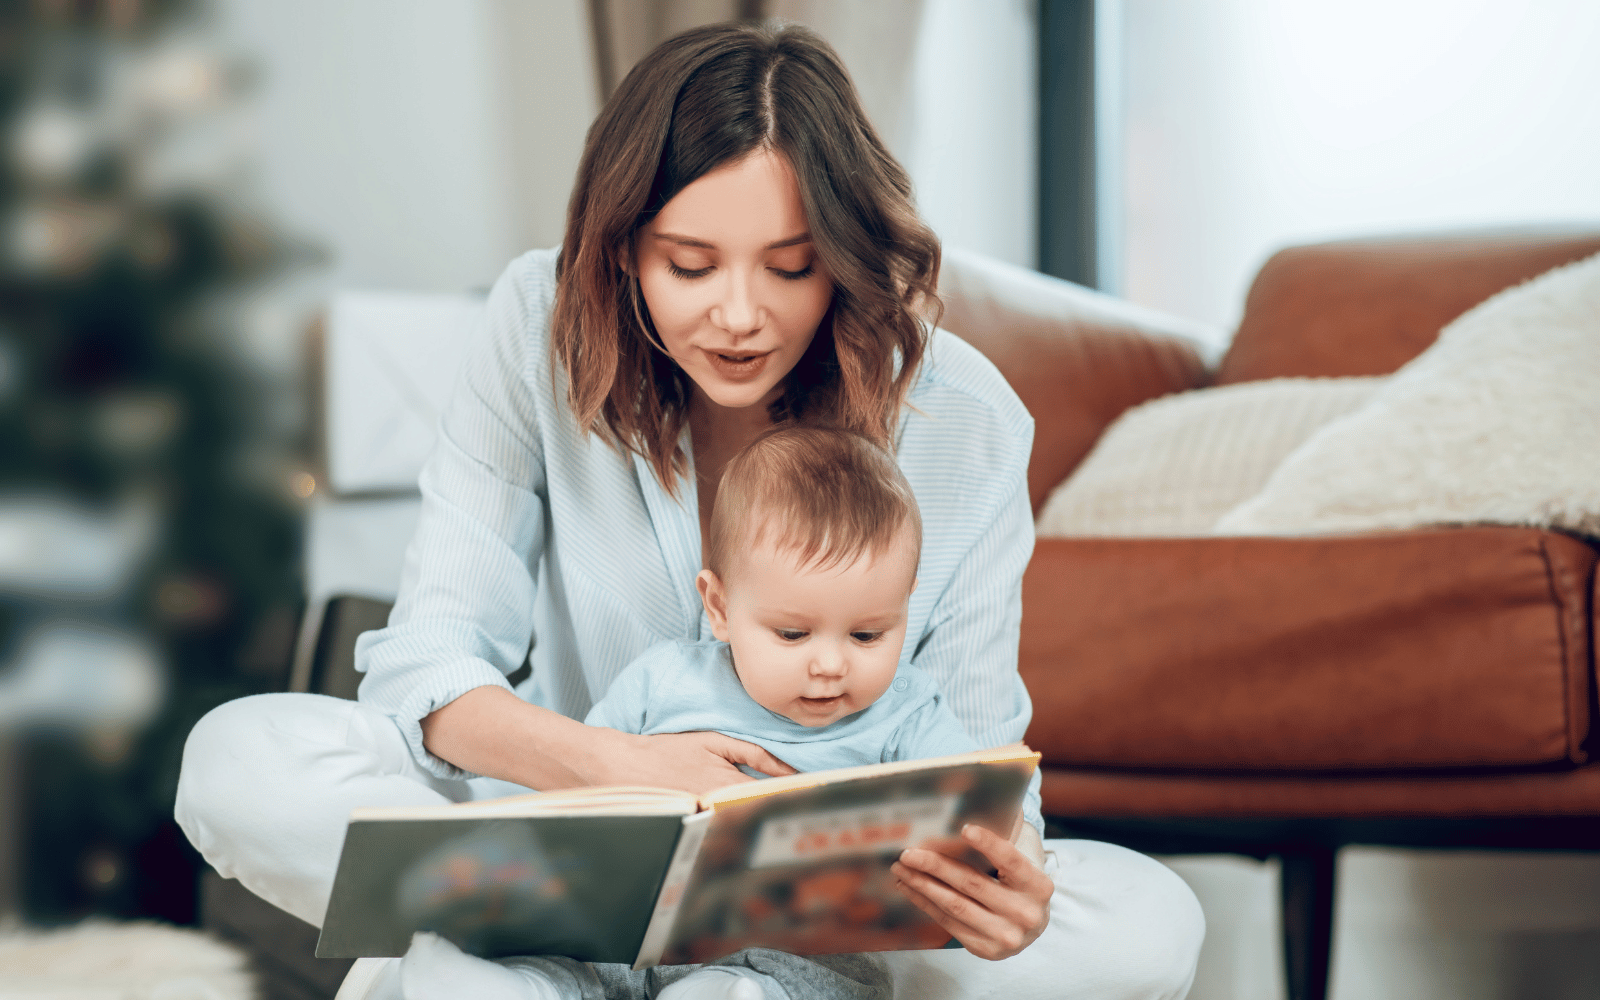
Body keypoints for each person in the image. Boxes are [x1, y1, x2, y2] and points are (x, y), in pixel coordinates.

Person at [175, 20, 1204, 1000]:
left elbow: (980, 755)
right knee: (238, 759)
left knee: (1149, 921)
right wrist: (620, 765)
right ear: (622, 250)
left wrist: (1004, 875)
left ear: (843, 255)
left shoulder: (962, 417)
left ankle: (490, 958)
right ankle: (538, 949)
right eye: (690, 264)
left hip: (817, 909)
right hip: (568, 830)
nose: (742, 315)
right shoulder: (539, 325)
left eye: (792, 266)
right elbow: (429, 662)